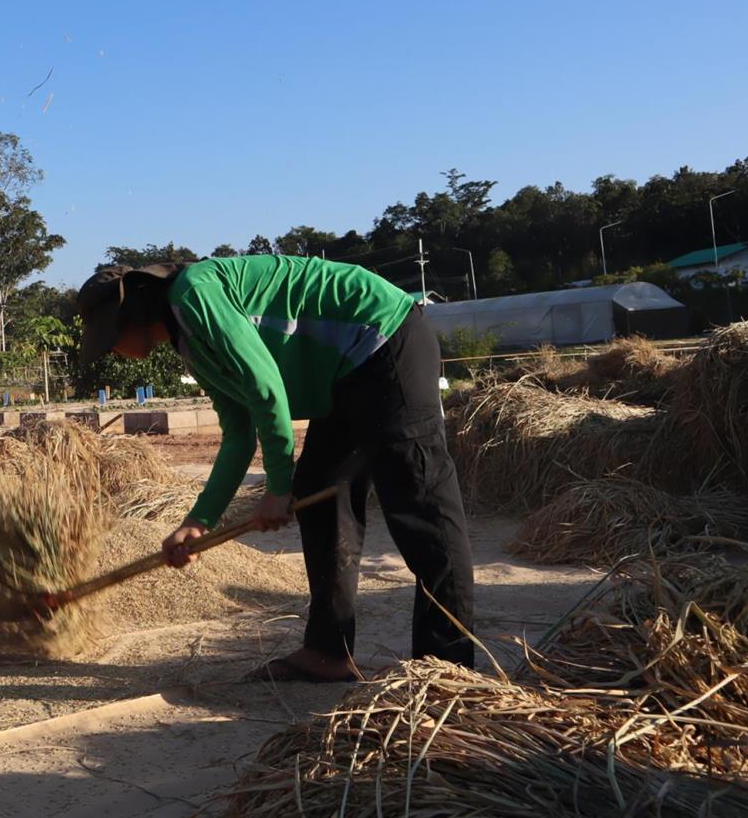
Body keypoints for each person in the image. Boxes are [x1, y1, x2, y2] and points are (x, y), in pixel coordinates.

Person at [76, 255, 474, 683]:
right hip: (344, 372)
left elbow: (267, 389)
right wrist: (199, 520)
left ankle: (447, 669)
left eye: (108, 339)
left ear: (131, 316)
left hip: (383, 335)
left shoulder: (194, 295)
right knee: (319, 493)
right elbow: (239, 434)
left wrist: (278, 487)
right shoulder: (189, 341)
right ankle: (328, 652)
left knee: (419, 502)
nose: (110, 350)